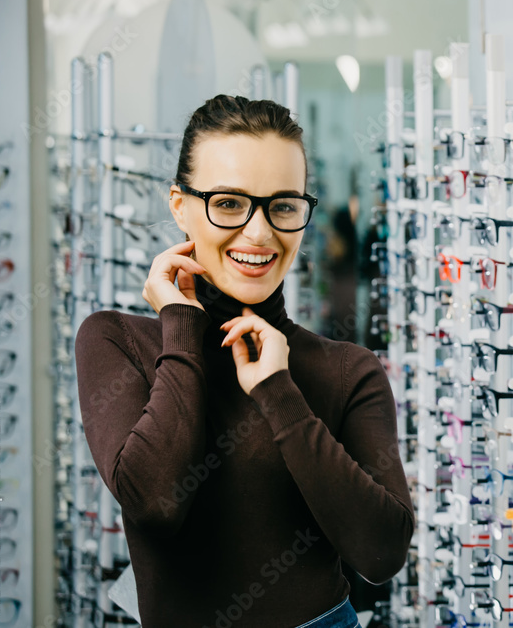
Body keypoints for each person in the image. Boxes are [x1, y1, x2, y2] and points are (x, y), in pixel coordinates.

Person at [74, 95, 414, 628]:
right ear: (180, 205)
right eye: (229, 203)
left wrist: (280, 394)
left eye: (282, 206)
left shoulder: (348, 369)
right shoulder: (117, 340)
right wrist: (181, 327)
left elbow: (381, 555)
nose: (259, 234)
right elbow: (155, 505)